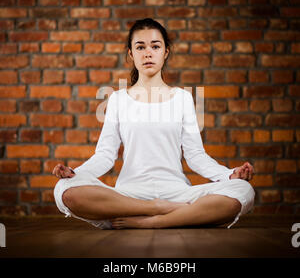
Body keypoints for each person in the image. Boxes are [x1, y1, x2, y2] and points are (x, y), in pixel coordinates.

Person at [53, 18, 255, 230]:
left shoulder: (182, 98)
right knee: (64, 189)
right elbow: (105, 155)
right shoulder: (117, 99)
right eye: (140, 47)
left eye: (155, 46)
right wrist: (77, 174)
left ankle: (155, 220)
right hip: (129, 194)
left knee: (243, 190)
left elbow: (195, 156)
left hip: (176, 193)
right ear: (131, 54)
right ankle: (163, 210)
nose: (148, 53)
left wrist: (228, 175)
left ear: (165, 52)